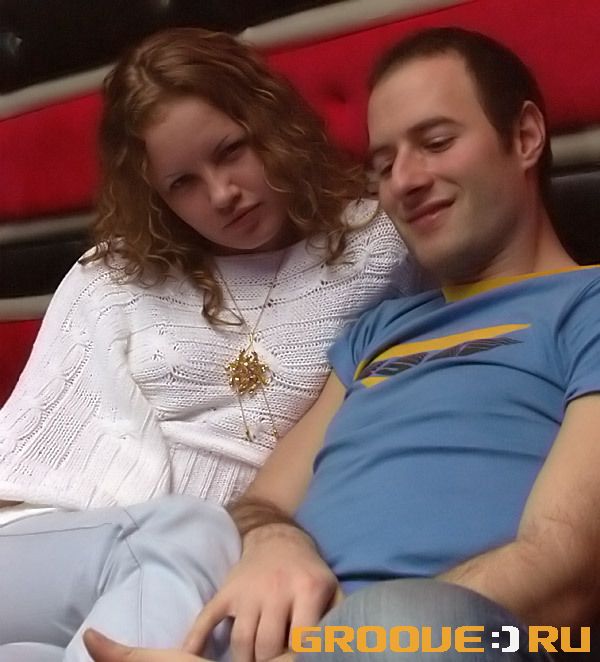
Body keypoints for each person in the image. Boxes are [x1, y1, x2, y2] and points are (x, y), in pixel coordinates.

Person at [84, 26, 600, 662]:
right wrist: (276, 543)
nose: (404, 181)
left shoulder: (588, 305)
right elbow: (262, 503)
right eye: (383, 164)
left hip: (495, 635)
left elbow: (566, 571)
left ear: (523, 137)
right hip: (303, 643)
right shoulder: (377, 333)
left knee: (413, 615)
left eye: (436, 143)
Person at [0, 27, 416, 662]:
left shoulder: (380, 245)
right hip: (67, 548)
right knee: (189, 528)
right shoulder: (111, 278)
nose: (222, 194)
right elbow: (26, 464)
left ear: (270, 124)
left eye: (230, 151)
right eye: (183, 183)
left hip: (197, 587)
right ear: (156, 196)